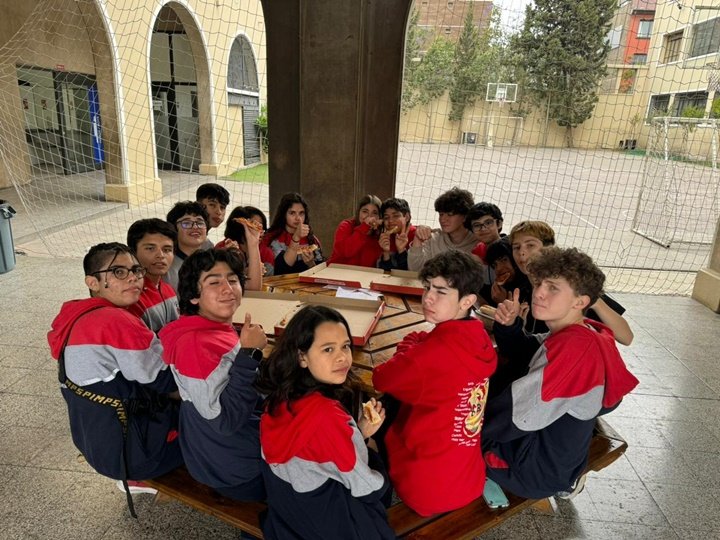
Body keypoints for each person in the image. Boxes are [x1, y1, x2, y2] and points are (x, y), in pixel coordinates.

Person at [483, 247, 639, 500]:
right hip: (556, 459)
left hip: (532, 471)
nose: (538, 293)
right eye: (538, 283)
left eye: (553, 288)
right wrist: (510, 327)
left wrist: (465, 422)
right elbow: (528, 351)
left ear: (580, 302)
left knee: (453, 435)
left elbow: (516, 416)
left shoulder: (574, 350)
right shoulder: (581, 332)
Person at [47, 243, 183, 504]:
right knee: (211, 413)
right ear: (93, 282)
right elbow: (167, 380)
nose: (133, 278)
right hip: (136, 455)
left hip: (97, 446)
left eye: (136, 270)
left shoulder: (75, 316)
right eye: (119, 272)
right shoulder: (115, 321)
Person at [372, 251, 497, 516]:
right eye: (427, 287)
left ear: (467, 301)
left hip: (426, 489)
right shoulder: (479, 338)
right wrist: (421, 343)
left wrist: (409, 345)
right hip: (467, 478)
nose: (428, 297)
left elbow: (381, 378)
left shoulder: (430, 355)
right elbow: (427, 343)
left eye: (441, 292)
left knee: (373, 416)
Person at [255, 305, 395, 539]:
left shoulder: (277, 400)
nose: (342, 357)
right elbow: (368, 488)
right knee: (381, 468)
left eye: (345, 346)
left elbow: (317, 449)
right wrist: (366, 445)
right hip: (325, 522)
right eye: (328, 349)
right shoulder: (329, 418)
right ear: (301, 357)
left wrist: (357, 432)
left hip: (289, 511)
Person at [159, 249, 268, 501]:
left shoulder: (213, 329)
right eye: (214, 282)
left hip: (224, 455)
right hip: (237, 471)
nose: (228, 288)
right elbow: (224, 421)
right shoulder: (195, 346)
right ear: (194, 296)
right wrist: (250, 353)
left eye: (232, 279)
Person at [509, 220, 634, 345]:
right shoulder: (520, 289)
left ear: (548, 248)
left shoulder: (571, 284)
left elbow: (626, 338)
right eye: (516, 247)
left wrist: (596, 303)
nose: (521, 252)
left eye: (530, 245)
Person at [126, 218, 180, 332]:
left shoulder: (168, 289)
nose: (160, 255)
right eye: (150, 248)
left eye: (167, 250)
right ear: (133, 252)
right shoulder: (130, 296)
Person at [408, 187, 477, 271]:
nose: (443, 220)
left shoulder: (477, 242)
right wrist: (417, 239)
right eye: (441, 214)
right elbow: (415, 270)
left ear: (465, 216)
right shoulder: (433, 239)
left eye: (450, 214)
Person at [261, 192, 324, 275]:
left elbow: (321, 274)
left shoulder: (312, 239)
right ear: (284, 214)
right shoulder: (272, 238)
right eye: (292, 213)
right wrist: (296, 237)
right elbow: (281, 270)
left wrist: (311, 264)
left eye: (301, 213)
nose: (298, 218)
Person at [215, 206, 264, 290]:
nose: (258, 228)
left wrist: (253, 243)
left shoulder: (263, 249)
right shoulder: (223, 249)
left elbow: (253, 287)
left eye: (261, 226)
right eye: (251, 224)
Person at [165, 201, 211, 290]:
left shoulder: (213, 260)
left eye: (200, 223)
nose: (195, 227)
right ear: (174, 229)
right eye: (187, 223)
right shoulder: (167, 269)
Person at [327, 194, 383, 267]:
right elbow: (346, 252)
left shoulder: (379, 234)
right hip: (336, 271)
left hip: (362, 273)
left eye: (374, 213)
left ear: (379, 216)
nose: (369, 217)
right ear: (358, 212)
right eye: (365, 211)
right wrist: (364, 227)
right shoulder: (345, 225)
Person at [479, 237, 531, 307]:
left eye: (504, 260)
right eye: (494, 265)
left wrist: (504, 301)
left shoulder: (530, 284)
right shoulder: (501, 288)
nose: (498, 268)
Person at [377, 197, 417, 271]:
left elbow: (411, 273)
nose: (390, 221)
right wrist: (386, 253)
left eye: (395, 216)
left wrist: (401, 251)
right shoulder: (384, 238)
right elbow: (387, 273)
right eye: (386, 217)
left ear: (407, 217)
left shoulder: (417, 237)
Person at [244, 205, 275, 275]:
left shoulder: (266, 253)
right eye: (254, 225)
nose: (258, 231)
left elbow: (269, 278)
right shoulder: (228, 247)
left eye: (261, 227)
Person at [196, 183, 230, 248]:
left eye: (222, 207)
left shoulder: (208, 245)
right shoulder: (186, 238)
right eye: (212, 205)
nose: (219, 212)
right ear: (198, 205)